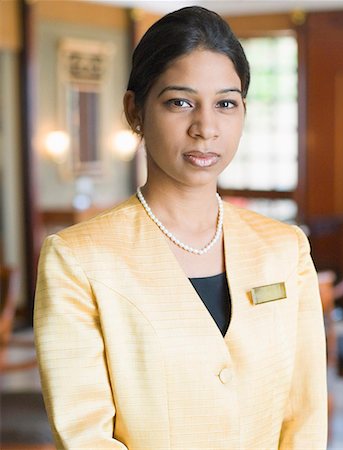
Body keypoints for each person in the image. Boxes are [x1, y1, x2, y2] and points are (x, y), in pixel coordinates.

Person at [34, 6, 327, 450]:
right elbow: (84, 437)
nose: (205, 128)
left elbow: (304, 416)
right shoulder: (78, 259)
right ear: (135, 111)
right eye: (180, 102)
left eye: (225, 103)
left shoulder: (285, 249)